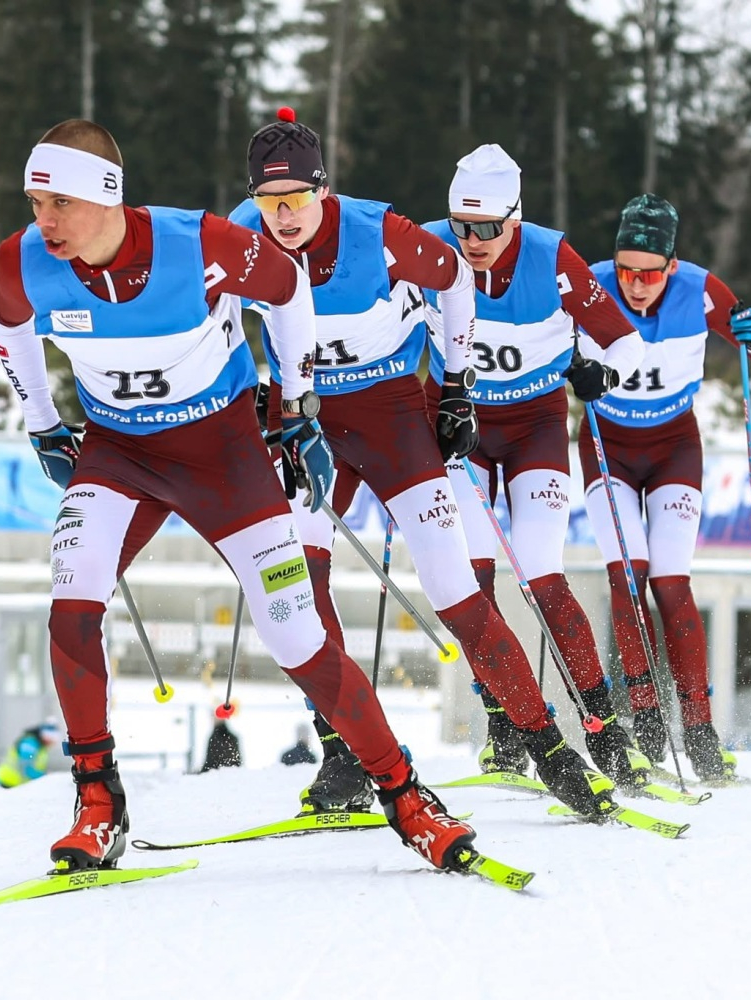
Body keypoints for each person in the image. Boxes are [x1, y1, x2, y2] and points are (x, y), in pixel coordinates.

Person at [0, 118, 476, 872]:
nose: (42, 221)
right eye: (34, 203)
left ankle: (408, 797)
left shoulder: (203, 244)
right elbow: (7, 323)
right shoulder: (23, 262)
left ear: (106, 195)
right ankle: (97, 800)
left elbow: (287, 294)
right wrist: (43, 425)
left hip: (224, 459)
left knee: (295, 637)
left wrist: (296, 408)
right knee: (73, 597)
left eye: (58, 204)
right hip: (120, 455)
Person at [230, 112, 613, 817]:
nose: (282, 217)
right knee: (298, 577)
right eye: (268, 201)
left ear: (324, 189)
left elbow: (456, 283)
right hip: (310, 424)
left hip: (389, 418)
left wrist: (459, 387)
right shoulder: (240, 235)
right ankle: (342, 755)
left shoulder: (380, 233)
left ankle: (549, 747)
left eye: (296, 200)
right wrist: (244, 390)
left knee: (455, 589)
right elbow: (213, 308)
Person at [419, 144, 654, 793]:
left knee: (541, 574)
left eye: (488, 228)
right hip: (460, 425)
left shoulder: (551, 257)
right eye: (461, 226)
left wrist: (602, 374)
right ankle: (508, 725)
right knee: (474, 580)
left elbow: (627, 343)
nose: (472, 241)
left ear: (514, 219)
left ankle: (608, 732)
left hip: (535, 428)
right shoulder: (429, 249)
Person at [579, 194, 751, 780]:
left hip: (675, 448)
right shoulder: (590, 286)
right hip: (607, 449)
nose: (635, 284)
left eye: (648, 272)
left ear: (671, 265)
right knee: (628, 575)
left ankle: (697, 729)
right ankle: (646, 723)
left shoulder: (699, 289)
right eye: (626, 270)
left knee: (672, 582)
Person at [0, 722, 59, 788]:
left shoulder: (40, 746)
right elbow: (25, 767)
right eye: (52, 739)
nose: (52, 743)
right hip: (10, 781)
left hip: (18, 782)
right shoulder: (30, 744)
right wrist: (44, 777)